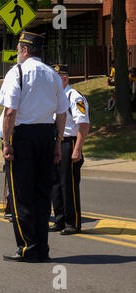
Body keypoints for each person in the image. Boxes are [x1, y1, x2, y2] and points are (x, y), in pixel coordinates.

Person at [0, 31, 68, 263]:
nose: (18, 53)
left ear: (25, 50)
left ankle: (28, 247)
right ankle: (42, 248)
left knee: (22, 195)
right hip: (47, 135)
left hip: (24, 137)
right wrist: (57, 144)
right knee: (42, 195)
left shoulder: (16, 72)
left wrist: (7, 143)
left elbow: (9, 111)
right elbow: (61, 113)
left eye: (18, 49)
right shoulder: (53, 75)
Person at [50, 64, 90, 235]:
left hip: (69, 143)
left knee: (68, 184)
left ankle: (72, 223)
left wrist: (78, 149)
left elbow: (83, 124)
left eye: (58, 77)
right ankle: (59, 220)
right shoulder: (55, 97)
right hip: (56, 142)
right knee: (55, 184)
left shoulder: (74, 97)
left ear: (65, 78)